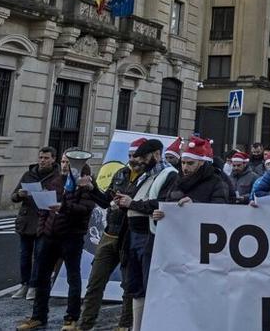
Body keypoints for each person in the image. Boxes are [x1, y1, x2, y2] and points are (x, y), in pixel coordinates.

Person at [17, 151, 99, 331]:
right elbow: (43, 208)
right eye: (62, 161)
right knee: (42, 277)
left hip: (71, 236)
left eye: (67, 162)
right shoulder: (55, 181)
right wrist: (41, 230)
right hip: (49, 235)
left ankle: (71, 318)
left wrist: (64, 207)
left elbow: (86, 208)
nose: (64, 165)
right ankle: (38, 316)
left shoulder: (85, 184)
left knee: (73, 278)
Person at [79, 139, 145, 331]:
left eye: (136, 156)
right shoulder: (121, 173)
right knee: (95, 282)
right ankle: (85, 325)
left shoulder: (149, 178)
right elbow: (107, 200)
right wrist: (92, 190)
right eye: (130, 156)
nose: (132, 160)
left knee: (128, 287)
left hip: (130, 236)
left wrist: (127, 203)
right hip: (110, 234)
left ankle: (123, 326)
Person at [114, 138, 178, 330]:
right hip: (134, 236)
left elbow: (161, 203)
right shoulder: (145, 175)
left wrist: (131, 204)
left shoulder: (169, 175)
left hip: (149, 236)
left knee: (149, 284)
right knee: (136, 285)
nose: (139, 161)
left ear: (157, 155)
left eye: (144, 157)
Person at [10, 146, 62, 301]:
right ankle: (24, 284)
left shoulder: (57, 177)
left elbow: (62, 198)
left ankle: (34, 285)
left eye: (46, 158)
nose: (42, 161)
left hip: (44, 220)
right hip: (26, 220)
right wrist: (19, 194)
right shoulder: (29, 174)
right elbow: (13, 196)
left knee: (40, 255)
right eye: (40, 158)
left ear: (53, 159)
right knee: (24, 255)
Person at [158, 137, 231, 210]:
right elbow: (167, 203)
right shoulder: (178, 180)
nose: (185, 167)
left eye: (190, 163)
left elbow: (219, 210)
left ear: (201, 162)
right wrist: (162, 213)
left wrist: (194, 205)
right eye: (183, 163)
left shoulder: (217, 182)